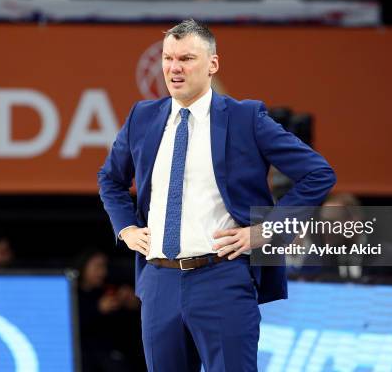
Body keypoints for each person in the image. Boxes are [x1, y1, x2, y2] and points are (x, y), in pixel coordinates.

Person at [98, 19, 336, 371]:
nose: (174, 68)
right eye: (168, 58)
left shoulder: (245, 118)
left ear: (213, 64)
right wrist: (127, 230)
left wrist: (267, 232)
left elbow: (318, 173)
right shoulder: (142, 117)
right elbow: (110, 179)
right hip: (159, 280)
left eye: (186, 58)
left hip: (221, 277)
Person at [76, 250, 143, 372]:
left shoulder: (109, 289)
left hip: (113, 353)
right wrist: (97, 309)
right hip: (83, 354)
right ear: (83, 267)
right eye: (97, 266)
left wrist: (134, 303)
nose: (103, 272)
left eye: (104, 266)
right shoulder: (71, 293)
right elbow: (70, 324)